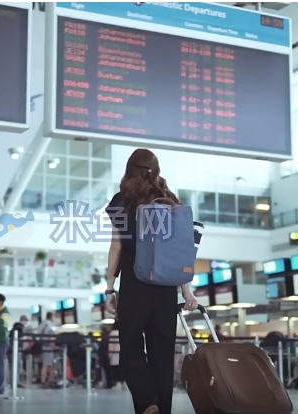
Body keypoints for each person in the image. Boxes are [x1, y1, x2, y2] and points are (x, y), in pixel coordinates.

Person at [104, 149, 197, 414]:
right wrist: (186, 291)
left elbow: (117, 246)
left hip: (135, 281)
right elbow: (181, 250)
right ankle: (161, 410)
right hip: (167, 288)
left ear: (130, 168)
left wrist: (110, 287)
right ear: (155, 169)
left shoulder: (122, 200)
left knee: (131, 350)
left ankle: (146, 403)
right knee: (162, 357)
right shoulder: (170, 200)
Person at [37, 311, 57, 387]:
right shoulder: (49, 326)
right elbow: (50, 338)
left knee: (50, 364)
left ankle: (52, 379)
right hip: (48, 347)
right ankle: (43, 381)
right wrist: (54, 346)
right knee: (46, 365)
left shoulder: (42, 324)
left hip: (43, 346)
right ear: (51, 317)